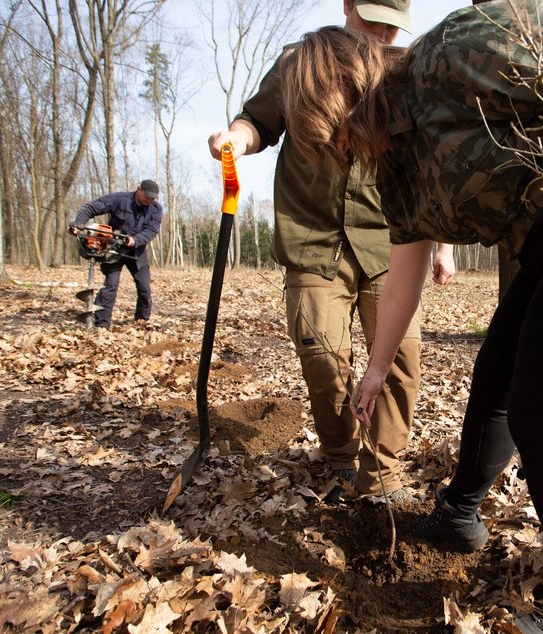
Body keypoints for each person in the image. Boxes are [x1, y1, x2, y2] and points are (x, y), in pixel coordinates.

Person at [275, 1, 543, 631]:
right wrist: (374, 370)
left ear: (349, 94)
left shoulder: (458, 53)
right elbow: (405, 270)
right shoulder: (392, 165)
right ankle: (459, 514)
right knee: (496, 380)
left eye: (334, 134)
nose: (339, 153)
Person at [207, 0, 456, 501]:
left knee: (401, 359)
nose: (382, 33)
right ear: (347, 6)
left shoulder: (405, 71)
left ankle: (380, 475)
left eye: (392, 25)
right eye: (374, 19)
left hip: (388, 240)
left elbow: (426, 167)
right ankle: (340, 454)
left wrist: (442, 244)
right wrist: (233, 138)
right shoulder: (299, 63)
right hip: (312, 234)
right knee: (321, 354)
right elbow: (258, 122)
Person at [69, 180, 163, 329]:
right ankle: (102, 324)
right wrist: (78, 224)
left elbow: (152, 230)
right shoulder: (119, 199)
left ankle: (142, 321)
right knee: (111, 285)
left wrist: (135, 240)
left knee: (144, 288)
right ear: (139, 189)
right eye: (147, 196)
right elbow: (91, 207)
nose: (149, 200)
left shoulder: (156, 209)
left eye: (153, 198)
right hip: (113, 250)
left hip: (137, 251)